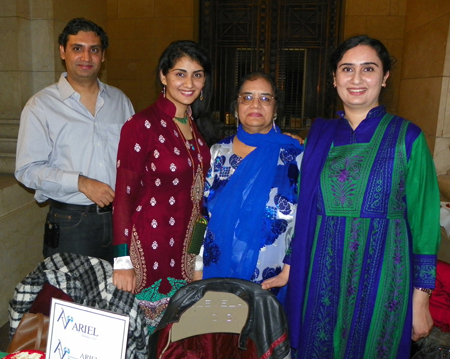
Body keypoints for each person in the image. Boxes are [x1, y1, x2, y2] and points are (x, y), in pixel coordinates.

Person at [286, 35, 441, 359]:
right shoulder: (319, 136)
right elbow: (304, 210)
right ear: (334, 78)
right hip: (322, 275)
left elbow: (425, 220)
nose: (356, 79)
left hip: (384, 277)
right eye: (347, 69)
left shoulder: (407, 137)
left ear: (384, 78)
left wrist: (421, 298)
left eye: (368, 69)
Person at [112, 40, 213, 332]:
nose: (189, 82)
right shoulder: (142, 125)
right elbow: (123, 196)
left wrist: (197, 258)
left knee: (178, 335)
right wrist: (122, 260)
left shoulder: (196, 128)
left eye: (197, 74)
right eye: (180, 73)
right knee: (143, 335)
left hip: (183, 253)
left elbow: (200, 203)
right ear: (163, 76)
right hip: (148, 249)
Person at [15, 18, 134, 263]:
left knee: (120, 297)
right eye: (77, 48)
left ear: (103, 56)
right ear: (63, 51)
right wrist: (80, 182)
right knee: (71, 300)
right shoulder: (41, 105)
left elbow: (134, 158)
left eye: (94, 49)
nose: (86, 57)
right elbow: (27, 170)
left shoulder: (120, 101)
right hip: (71, 224)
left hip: (120, 220)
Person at [195, 72, 304, 304]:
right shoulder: (217, 153)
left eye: (265, 98)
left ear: (275, 109)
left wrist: (290, 268)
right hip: (216, 274)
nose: (255, 104)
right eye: (247, 97)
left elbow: (308, 222)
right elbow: (199, 215)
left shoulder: (296, 157)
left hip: (274, 281)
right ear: (236, 107)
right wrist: (195, 265)